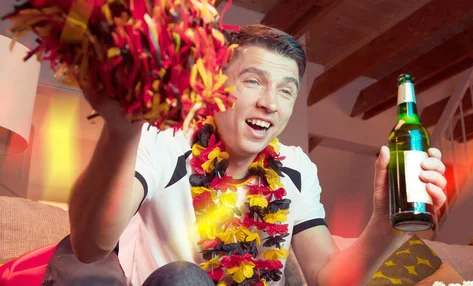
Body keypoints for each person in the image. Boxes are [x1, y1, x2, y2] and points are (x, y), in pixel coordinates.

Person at [44, 24, 447, 286]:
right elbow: (90, 246)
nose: (270, 103)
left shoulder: (295, 168)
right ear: (215, 85)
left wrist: (389, 223)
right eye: (254, 81)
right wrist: (121, 130)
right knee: (185, 279)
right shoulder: (167, 139)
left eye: (286, 90)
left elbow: (327, 278)